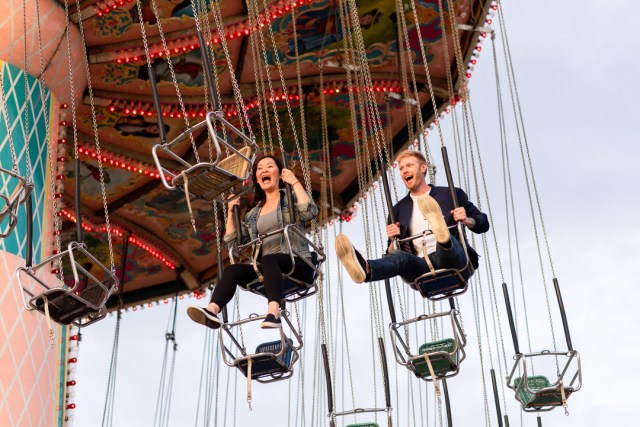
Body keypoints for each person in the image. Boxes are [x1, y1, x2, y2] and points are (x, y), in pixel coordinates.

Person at [187, 155, 318, 329]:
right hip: (270, 268)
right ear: (256, 178)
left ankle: (274, 312)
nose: (264, 170)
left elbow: (309, 211)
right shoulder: (253, 214)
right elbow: (233, 242)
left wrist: (294, 182)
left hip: (297, 262)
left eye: (270, 166)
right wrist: (231, 209)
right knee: (233, 270)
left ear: (280, 175)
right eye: (260, 168)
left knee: (269, 259)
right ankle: (212, 311)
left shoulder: (291, 198)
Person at [335, 149, 489, 285]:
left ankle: (442, 235)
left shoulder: (450, 194)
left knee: (447, 244)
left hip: (453, 262)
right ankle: (365, 268)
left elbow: (483, 222)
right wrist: (392, 240)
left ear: (422, 168)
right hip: (420, 267)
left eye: (409, 165)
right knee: (399, 257)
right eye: (401, 168)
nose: (404, 171)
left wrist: (467, 220)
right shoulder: (398, 210)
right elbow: (391, 253)